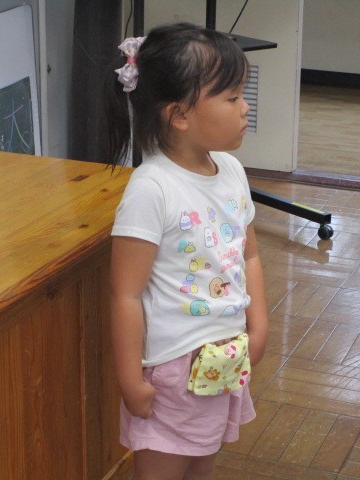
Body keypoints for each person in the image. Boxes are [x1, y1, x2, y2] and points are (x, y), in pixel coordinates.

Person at [107, 22, 269, 480]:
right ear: (179, 115)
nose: (245, 107)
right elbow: (125, 294)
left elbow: (249, 255)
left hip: (224, 357)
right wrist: (130, 380)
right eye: (232, 98)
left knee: (202, 464)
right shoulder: (152, 189)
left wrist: (258, 324)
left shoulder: (232, 171)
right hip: (173, 370)